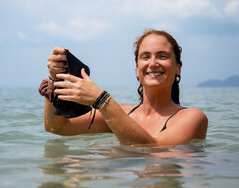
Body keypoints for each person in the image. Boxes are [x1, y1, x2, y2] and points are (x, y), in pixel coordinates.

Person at [39, 29, 208, 145]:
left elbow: (153, 151)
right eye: (145, 57)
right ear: (137, 68)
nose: (153, 63)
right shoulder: (121, 114)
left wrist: (102, 100)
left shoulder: (192, 118)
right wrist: (54, 78)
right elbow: (57, 127)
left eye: (162, 56)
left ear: (178, 67)